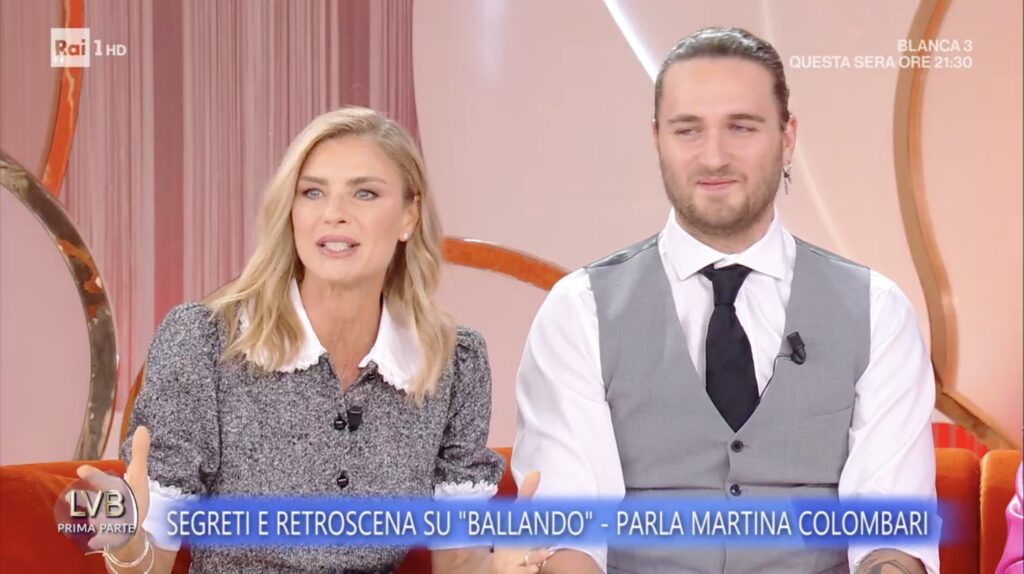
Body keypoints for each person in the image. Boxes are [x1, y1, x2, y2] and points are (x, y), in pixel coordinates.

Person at [513, 27, 939, 573]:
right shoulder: (579, 311)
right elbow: (567, 535)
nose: (713, 157)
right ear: (657, 140)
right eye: (688, 130)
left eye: (741, 127)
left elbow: (892, 534)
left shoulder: (878, 312)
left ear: (787, 137)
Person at [76, 106, 529, 573]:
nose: (334, 214)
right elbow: (149, 564)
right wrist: (127, 543)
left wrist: (497, 570)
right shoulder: (204, 343)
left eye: (365, 193)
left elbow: (459, 561)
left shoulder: (451, 362)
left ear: (409, 216)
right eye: (313, 192)